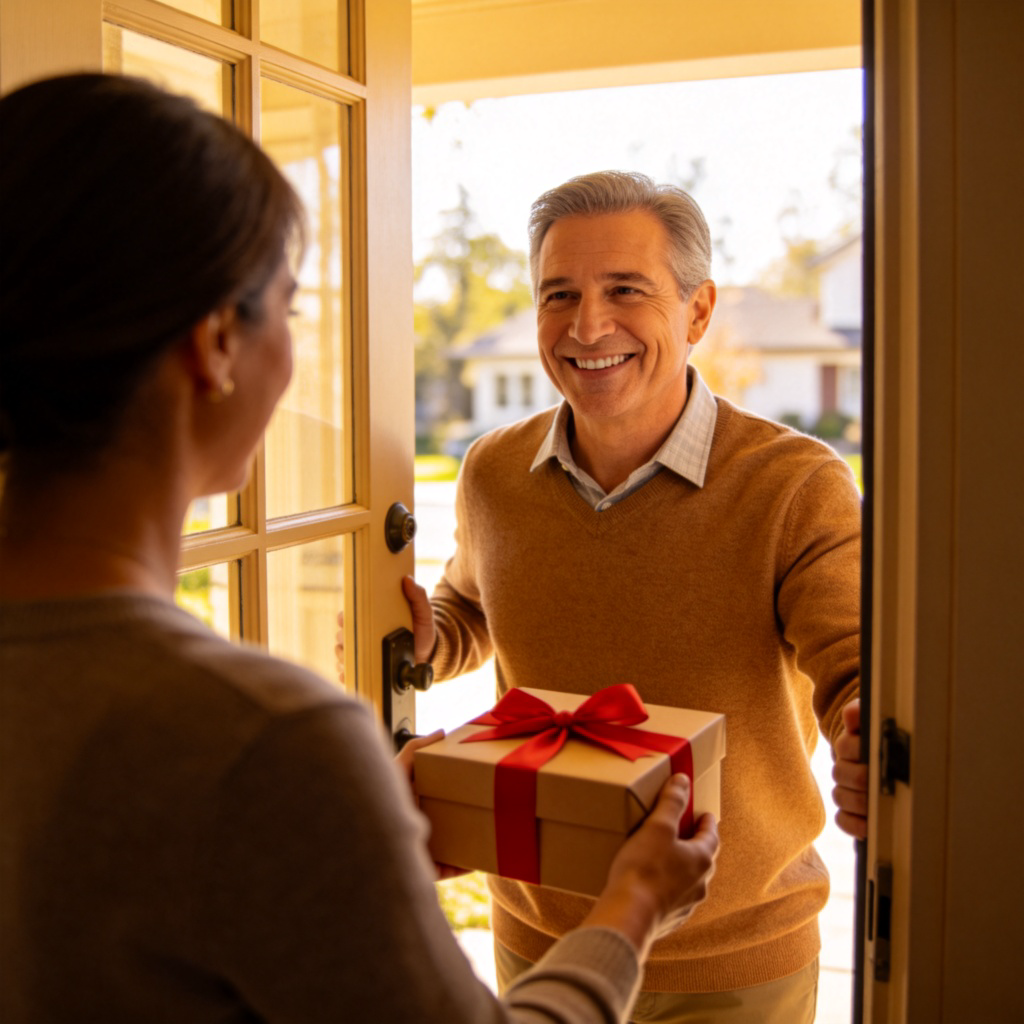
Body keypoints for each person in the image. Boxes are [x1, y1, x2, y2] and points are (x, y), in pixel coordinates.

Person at [0, 76, 719, 1024]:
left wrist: (340, 851)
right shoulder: (267, 743)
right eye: (289, 306)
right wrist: (633, 906)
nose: (588, 324)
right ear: (217, 343)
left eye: (624, 290)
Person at [352, 170, 867, 1023]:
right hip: (538, 937)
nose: (588, 327)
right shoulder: (492, 470)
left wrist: (869, 746)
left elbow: (858, 674)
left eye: (626, 290)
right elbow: (470, 609)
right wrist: (430, 639)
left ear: (697, 312)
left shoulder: (794, 484)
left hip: (733, 962)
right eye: (559, 295)